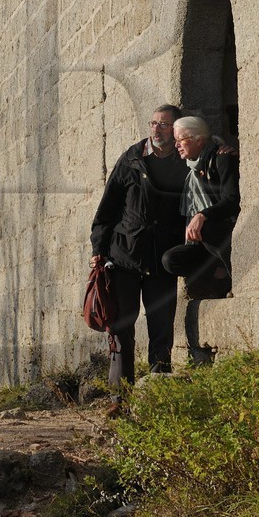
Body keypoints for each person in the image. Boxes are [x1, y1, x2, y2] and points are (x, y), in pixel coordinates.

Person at [90, 104, 186, 385]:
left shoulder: (184, 162)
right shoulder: (131, 159)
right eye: (153, 123)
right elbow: (106, 210)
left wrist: (220, 150)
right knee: (121, 328)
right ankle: (120, 395)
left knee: (161, 328)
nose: (156, 128)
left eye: (164, 124)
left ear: (176, 130)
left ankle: (158, 392)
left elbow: (207, 154)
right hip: (125, 257)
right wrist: (98, 250)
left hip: (161, 258)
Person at [161, 114, 240, 363]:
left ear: (197, 139)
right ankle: (215, 274)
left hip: (221, 233)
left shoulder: (220, 159)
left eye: (180, 139)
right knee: (170, 259)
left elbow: (231, 201)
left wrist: (203, 215)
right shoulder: (190, 168)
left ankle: (227, 275)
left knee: (203, 228)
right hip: (201, 242)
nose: (177, 145)